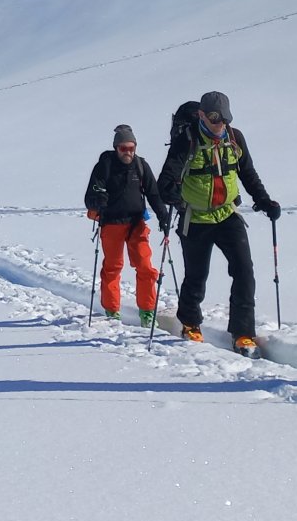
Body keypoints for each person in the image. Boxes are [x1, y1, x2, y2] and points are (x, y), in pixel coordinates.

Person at [163, 92, 278, 354]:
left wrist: (264, 200)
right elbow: (166, 180)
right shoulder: (187, 140)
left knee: (244, 271)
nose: (220, 124)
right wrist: (175, 199)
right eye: (215, 118)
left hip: (227, 215)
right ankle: (190, 323)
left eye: (225, 118)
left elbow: (247, 172)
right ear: (202, 115)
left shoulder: (235, 137)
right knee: (196, 275)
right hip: (196, 219)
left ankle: (243, 333)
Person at [84, 125, 166, 326]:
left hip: (136, 223)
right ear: (116, 148)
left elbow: (153, 193)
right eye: (123, 148)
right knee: (113, 267)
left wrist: (163, 215)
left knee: (145, 266)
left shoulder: (140, 165)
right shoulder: (105, 166)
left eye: (131, 148)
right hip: (111, 223)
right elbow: (89, 198)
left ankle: (147, 311)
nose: (128, 152)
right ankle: (112, 310)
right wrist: (98, 201)